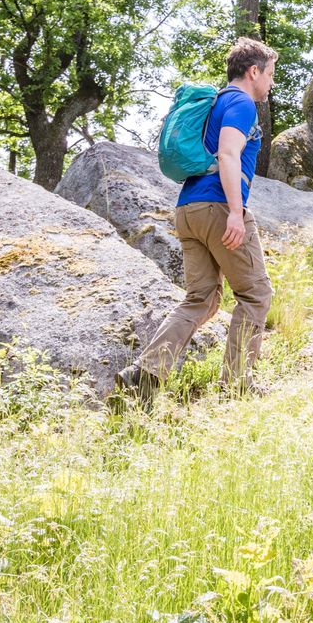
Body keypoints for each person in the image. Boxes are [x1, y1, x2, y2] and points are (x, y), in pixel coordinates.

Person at [119, 37, 278, 403]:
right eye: (269, 74)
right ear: (253, 72)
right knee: (256, 295)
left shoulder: (217, 102)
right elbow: (227, 155)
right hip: (218, 208)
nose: (271, 83)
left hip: (188, 210)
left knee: (201, 300)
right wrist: (236, 214)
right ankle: (237, 385)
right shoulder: (241, 102)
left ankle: (144, 374)